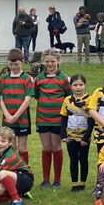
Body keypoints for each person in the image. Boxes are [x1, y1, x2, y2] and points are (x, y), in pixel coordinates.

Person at [34, 51, 70, 188]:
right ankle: (45, 179)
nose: (49, 64)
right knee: (46, 148)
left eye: (52, 61)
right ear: (44, 62)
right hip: (42, 118)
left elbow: (68, 96)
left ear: (58, 61)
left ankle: (57, 180)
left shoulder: (64, 79)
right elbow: (37, 95)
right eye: (47, 61)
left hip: (58, 119)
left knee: (56, 147)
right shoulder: (39, 79)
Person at [0, 49, 36, 159]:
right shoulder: (4, 78)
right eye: (11, 64)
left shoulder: (27, 78)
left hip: (22, 118)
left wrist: (15, 116)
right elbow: (0, 98)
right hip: (7, 118)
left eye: (16, 64)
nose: (14, 67)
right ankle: (12, 171)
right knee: (11, 147)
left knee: (22, 148)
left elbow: (28, 99)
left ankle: (24, 172)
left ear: (22, 62)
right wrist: (7, 115)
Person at [60, 74, 94, 192]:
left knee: (83, 159)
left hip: (84, 137)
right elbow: (64, 118)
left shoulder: (89, 100)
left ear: (84, 85)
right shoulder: (67, 100)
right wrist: (63, 135)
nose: (78, 87)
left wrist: (86, 136)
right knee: (73, 159)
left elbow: (91, 120)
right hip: (71, 137)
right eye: (75, 85)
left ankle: (82, 182)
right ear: (71, 86)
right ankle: (74, 183)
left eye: (81, 85)